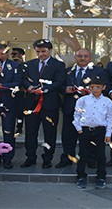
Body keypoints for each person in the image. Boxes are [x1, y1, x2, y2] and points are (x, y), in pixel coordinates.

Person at [58, 48, 108, 168]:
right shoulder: (67, 71)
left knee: (89, 137)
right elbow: (59, 85)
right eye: (79, 56)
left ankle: (90, 159)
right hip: (71, 108)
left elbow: (105, 88)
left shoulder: (99, 71)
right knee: (68, 136)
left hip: (90, 110)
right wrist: (65, 89)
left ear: (90, 58)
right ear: (75, 57)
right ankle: (67, 158)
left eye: (85, 56)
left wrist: (92, 92)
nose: (82, 58)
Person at [20, 39, 66, 169]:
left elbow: (59, 82)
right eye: (38, 51)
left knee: (49, 133)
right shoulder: (29, 64)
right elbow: (23, 79)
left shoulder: (58, 65)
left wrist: (44, 89)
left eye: (43, 51)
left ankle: (47, 158)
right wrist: (29, 87)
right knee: (30, 132)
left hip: (49, 104)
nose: (41, 54)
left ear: (50, 50)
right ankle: (30, 157)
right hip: (31, 104)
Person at [73, 77, 112, 190]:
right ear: (89, 87)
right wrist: (79, 129)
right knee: (83, 154)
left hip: (100, 130)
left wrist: (108, 134)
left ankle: (101, 177)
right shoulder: (83, 100)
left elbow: (110, 119)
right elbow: (76, 116)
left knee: (100, 155)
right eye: (92, 87)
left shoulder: (108, 102)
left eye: (98, 87)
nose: (95, 90)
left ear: (103, 87)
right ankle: (81, 176)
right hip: (85, 129)